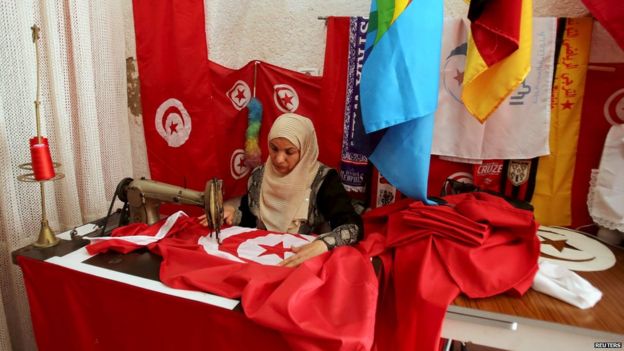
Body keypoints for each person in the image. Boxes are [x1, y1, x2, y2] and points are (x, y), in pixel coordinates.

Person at [200, 113, 362, 267]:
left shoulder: (323, 180)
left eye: (289, 152)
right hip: (262, 261)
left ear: (305, 149)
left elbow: (352, 227)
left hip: (302, 264)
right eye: (274, 148)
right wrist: (233, 215)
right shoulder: (259, 176)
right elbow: (250, 221)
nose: (278, 159)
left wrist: (322, 244)